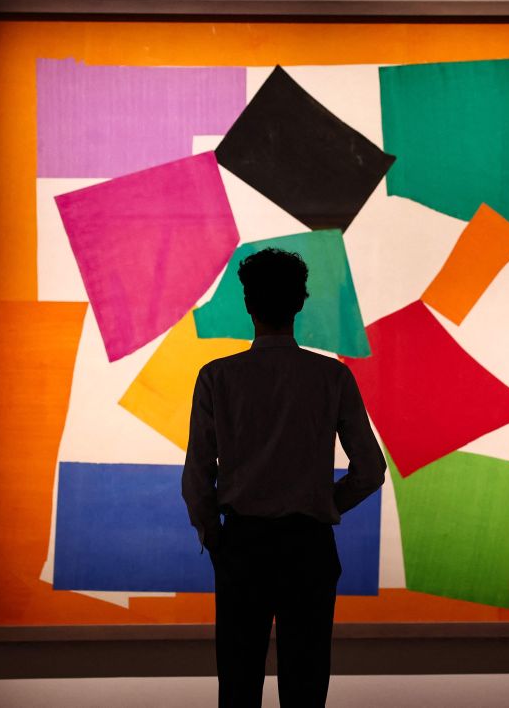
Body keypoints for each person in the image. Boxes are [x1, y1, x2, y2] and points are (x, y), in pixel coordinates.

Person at [182, 247, 386, 708]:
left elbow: (197, 475)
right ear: (300, 302)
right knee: (306, 687)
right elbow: (370, 471)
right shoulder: (332, 377)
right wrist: (326, 502)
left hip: (244, 545)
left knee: (237, 685)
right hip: (308, 545)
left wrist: (213, 533)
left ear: (249, 304)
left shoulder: (217, 377)